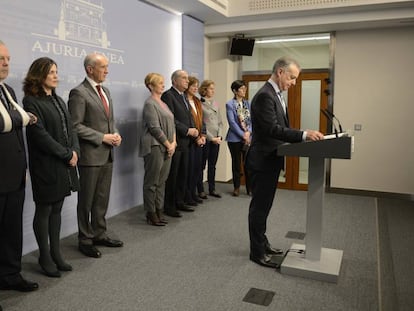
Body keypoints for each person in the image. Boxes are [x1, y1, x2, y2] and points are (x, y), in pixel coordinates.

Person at [246, 57, 324, 268]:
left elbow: (278, 130)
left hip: (270, 159)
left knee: (265, 206)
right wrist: (304, 134)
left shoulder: (276, 95)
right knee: (259, 209)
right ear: (280, 72)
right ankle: (257, 252)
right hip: (262, 161)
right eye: (292, 77)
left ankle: (263, 243)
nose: (294, 83)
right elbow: (272, 129)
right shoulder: (264, 96)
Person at [23, 57, 80, 277]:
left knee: (57, 208)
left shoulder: (59, 100)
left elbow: (71, 128)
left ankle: (56, 254)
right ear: (40, 75)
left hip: (64, 164)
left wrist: (75, 151)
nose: (56, 75)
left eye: (57, 71)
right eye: (51, 72)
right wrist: (67, 154)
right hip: (46, 165)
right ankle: (44, 256)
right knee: (45, 209)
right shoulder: (30, 102)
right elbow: (40, 136)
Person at [68, 53, 123, 258]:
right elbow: (75, 126)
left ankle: (99, 233)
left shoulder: (105, 90)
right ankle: (85, 239)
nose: (107, 71)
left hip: (107, 154)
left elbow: (109, 121)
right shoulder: (78, 93)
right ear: (90, 69)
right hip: (90, 157)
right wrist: (103, 137)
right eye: (103, 67)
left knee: (101, 199)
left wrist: (115, 134)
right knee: (87, 200)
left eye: (107, 66)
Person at [0, 40, 38, 292]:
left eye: (7, 59)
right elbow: (17, 121)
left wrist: (23, 167)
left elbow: (16, 133)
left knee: (12, 232)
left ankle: (11, 275)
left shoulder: (8, 92)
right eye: (0, 59)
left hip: (13, 175)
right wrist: (22, 118)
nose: (5, 64)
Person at [140, 73, 176, 226]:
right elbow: (154, 127)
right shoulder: (149, 104)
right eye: (159, 83)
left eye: (163, 82)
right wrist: (168, 144)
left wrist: (173, 142)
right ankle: (151, 212)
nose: (163, 85)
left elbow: (172, 125)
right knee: (152, 182)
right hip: (155, 146)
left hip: (168, 146)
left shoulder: (164, 104)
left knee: (162, 181)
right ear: (150, 86)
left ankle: (159, 210)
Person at [161, 70, 199, 217]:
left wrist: (195, 131)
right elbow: (171, 119)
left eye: (187, 78)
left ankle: (180, 201)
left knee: (183, 174)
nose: (187, 81)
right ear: (174, 80)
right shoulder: (168, 96)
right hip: (176, 141)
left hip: (187, 142)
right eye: (183, 78)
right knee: (173, 175)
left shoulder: (183, 96)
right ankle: (169, 206)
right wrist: (187, 130)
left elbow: (188, 117)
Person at [225, 80, 252, 197]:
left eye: (244, 88)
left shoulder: (247, 104)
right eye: (241, 89)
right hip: (234, 139)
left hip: (248, 138)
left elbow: (251, 121)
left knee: (248, 164)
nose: (244, 91)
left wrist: (249, 132)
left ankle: (249, 188)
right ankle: (236, 187)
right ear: (235, 91)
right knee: (236, 164)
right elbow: (232, 123)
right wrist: (243, 135)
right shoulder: (230, 104)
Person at [198, 80, 223, 198]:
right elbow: (200, 124)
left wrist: (219, 136)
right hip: (206, 139)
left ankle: (212, 189)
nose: (213, 91)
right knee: (202, 165)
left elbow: (220, 122)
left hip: (216, 139)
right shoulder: (199, 103)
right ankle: (200, 189)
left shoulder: (215, 103)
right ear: (204, 89)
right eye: (211, 88)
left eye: (213, 88)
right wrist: (212, 138)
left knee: (213, 165)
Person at [184, 76, 206, 206]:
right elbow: (189, 121)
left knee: (198, 168)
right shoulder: (184, 100)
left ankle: (193, 193)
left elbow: (202, 120)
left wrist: (203, 134)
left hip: (200, 139)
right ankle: (188, 195)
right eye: (193, 85)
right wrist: (197, 138)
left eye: (197, 86)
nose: (195, 88)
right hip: (190, 141)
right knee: (190, 170)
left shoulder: (197, 101)